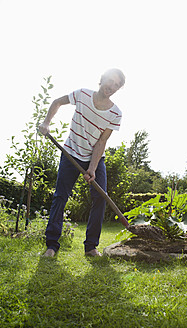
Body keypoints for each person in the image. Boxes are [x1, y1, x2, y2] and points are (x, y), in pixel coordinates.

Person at [39, 68, 125, 257]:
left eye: (117, 85)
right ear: (102, 79)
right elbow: (57, 102)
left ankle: (90, 247)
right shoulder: (82, 94)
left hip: (94, 157)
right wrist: (46, 123)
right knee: (61, 196)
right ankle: (52, 245)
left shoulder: (115, 113)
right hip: (70, 153)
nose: (112, 86)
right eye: (111, 81)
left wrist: (92, 168)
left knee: (100, 198)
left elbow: (102, 142)